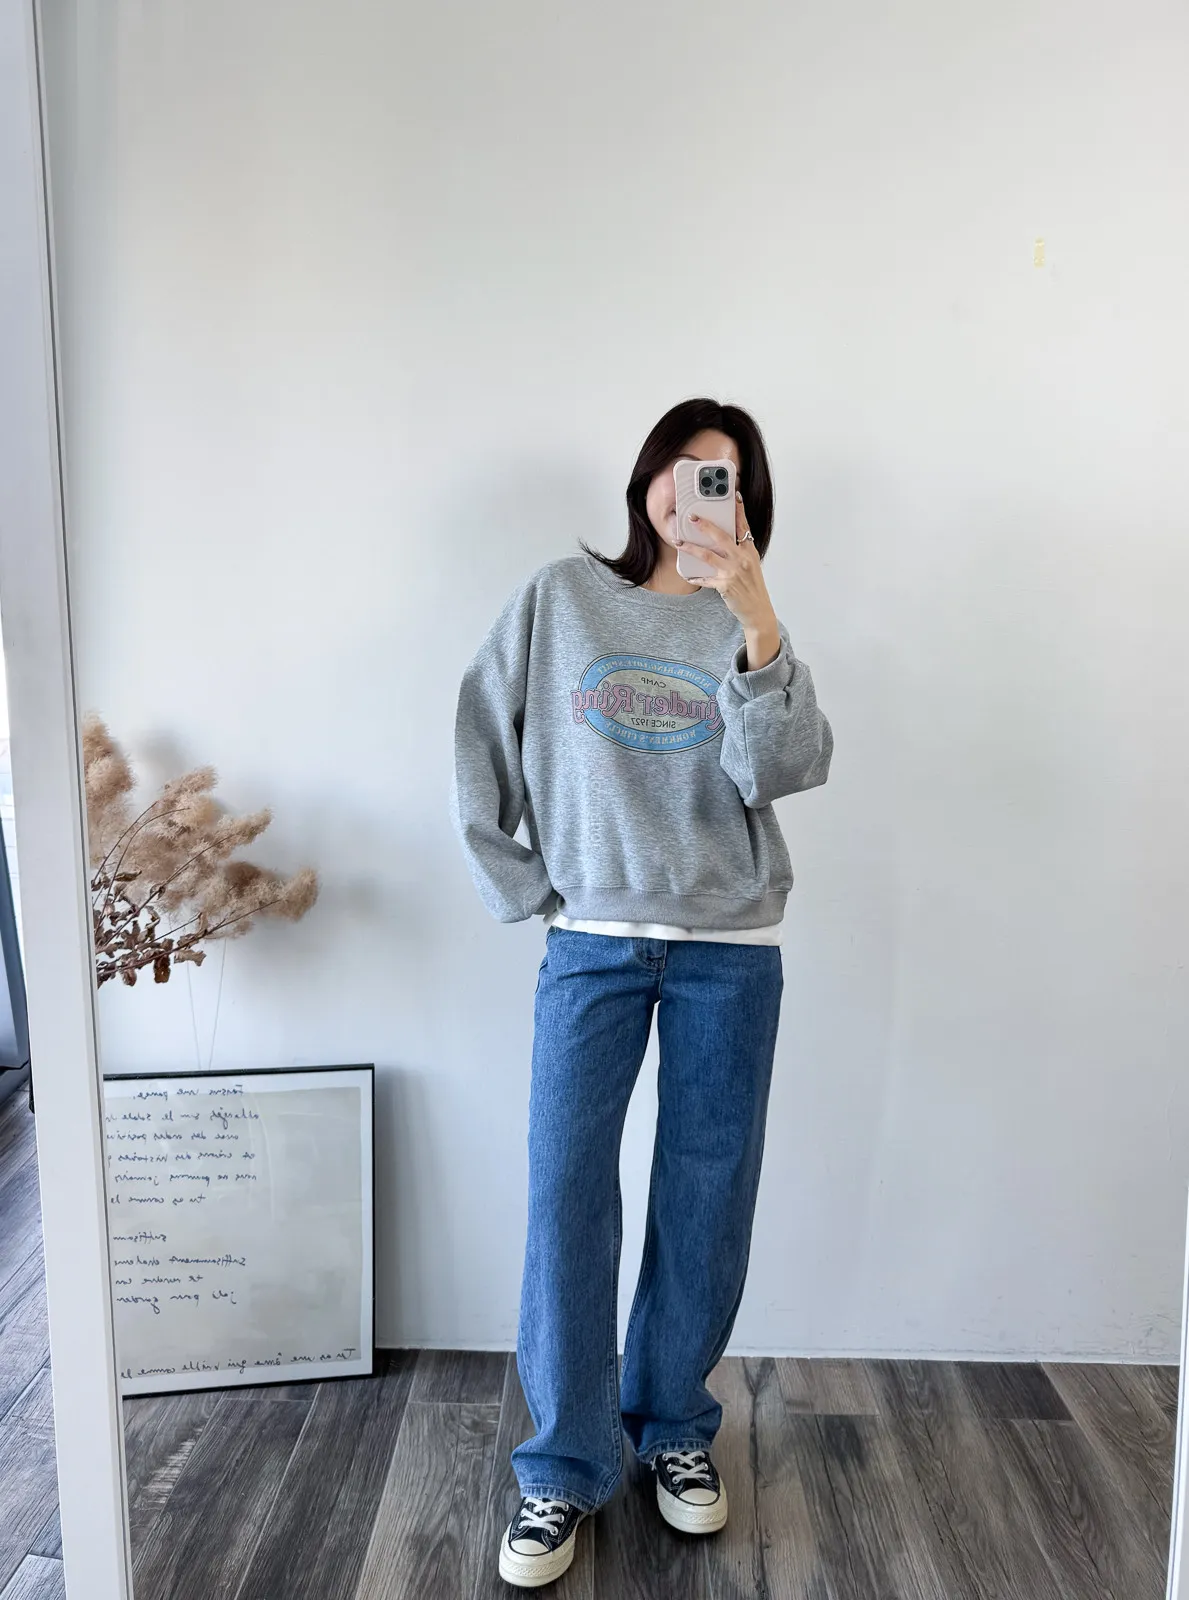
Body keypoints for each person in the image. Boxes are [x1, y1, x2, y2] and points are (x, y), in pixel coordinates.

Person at [451, 397, 833, 1589]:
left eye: (722, 477)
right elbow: (477, 735)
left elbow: (781, 769)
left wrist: (758, 622)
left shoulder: (747, 626)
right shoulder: (562, 600)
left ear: (746, 505)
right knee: (567, 1194)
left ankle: (672, 1426)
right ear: (646, 478)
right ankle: (563, 1465)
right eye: (680, 465)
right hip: (594, 945)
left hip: (730, 948)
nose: (693, 491)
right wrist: (521, 884)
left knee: (705, 1198)